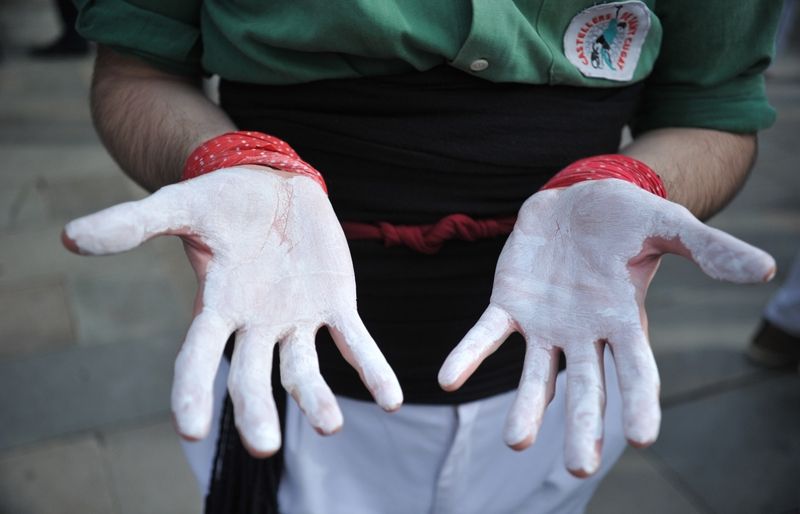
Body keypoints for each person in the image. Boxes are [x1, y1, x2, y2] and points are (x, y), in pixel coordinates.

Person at [62, 2, 781, 513]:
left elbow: (712, 108)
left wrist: (635, 182)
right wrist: (231, 159)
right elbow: (137, 66)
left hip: (570, 379)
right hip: (281, 367)